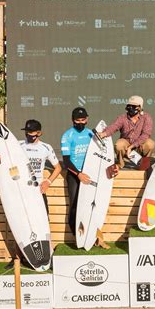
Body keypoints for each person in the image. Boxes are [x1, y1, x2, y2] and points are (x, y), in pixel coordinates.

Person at [61, 107, 110, 249]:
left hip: (91, 174)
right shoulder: (67, 136)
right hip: (75, 175)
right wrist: (78, 174)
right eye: (77, 120)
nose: (80, 122)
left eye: (83, 120)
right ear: (72, 120)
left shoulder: (91, 134)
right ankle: (78, 237)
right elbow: (66, 161)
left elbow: (101, 155)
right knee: (76, 206)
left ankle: (95, 237)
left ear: (87, 119)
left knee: (95, 205)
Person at [99, 95, 155, 169]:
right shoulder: (122, 117)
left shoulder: (147, 117)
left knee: (150, 144)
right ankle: (120, 165)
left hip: (140, 143)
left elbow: (146, 135)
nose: (131, 108)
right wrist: (104, 133)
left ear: (140, 107)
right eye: (129, 105)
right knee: (119, 145)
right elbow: (114, 126)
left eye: (134, 106)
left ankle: (144, 165)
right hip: (126, 142)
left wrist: (132, 146)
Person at [20, 119, 62, 215]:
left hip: (38, 190)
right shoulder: (18, 145)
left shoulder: (46, 147)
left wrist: (48, 182)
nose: (28, 134)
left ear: (39, 133)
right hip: (22, 190)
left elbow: (58, 168)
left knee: (44, 219)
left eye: (31, 132)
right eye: (26, 132)